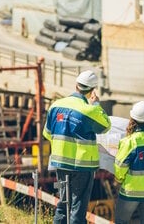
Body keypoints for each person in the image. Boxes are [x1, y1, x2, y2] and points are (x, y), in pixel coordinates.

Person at [43, 70, 111, 224]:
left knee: (63, 203)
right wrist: (97, 105)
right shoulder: (89, 110)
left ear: (76, 85)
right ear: (92, 90)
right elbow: (106, 126)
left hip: (60, 163)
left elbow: (47, 134)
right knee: (78, 207)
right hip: (82, 165)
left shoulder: (55, 106)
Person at [114, 101, 144, 224]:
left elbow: (120, 166)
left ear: (132, 119)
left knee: (121, 221)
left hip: (131, 192)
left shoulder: (129, 141)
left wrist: (119, 180)